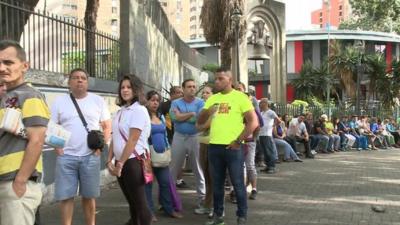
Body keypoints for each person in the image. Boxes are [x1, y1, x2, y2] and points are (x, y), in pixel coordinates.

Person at [198, 68, 258, 225]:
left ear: (229, 80)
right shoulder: (212, 98)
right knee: (216, 184)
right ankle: (218, 215)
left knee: (238, 183)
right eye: (215, 79)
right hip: (214, 147)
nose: (216, 81)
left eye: (220, 78)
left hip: (233, 149)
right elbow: (200, 122)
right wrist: (207, 111)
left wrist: (238, 141)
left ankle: (242, 216)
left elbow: (253, 122)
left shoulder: (241, 98)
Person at [51, 68, 111, 225]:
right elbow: (52, 126)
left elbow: (107, 125)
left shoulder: (97, 100)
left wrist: (100, 148)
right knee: (66, 197)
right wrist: (57, 148)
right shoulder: (59, 101)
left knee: (89, 196)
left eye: (83, 78)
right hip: (66, 157)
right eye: (76, 78)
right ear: (69, 82)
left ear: (87, 81)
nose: (79, 80)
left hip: (90, 157)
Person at [0, 40, 49, 225]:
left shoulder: (29, 96)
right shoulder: (6, 97)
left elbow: (37, 140)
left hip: (14, 184)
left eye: (8, 62)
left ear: (24, 66)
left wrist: (20, 182)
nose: (2, 67)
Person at [106, 74, 152, 225]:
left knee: (140, 203)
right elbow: (115, 137)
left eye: (129, 87)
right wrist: (109, 160)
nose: (125, 90)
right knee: (132, 202)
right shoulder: (121, 111)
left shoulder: (139, 110)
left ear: (136, 89)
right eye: (123, 87)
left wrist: (120, 164)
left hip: (133, 163)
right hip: (122, 162)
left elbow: (132, 139)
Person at [144, 90, 183, 221]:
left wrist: (167, 149)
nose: (155, 103)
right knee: (147, 186)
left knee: (166, 183)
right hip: (147, 157)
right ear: (147, 101)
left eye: (157, 100)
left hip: (161, 156)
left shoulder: (160, 116)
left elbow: (165, 135)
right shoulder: (143, 117)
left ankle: (168, 209)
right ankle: (149, 213)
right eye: (152, 100)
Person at [169, 79, 206, 210]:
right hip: (179, 137)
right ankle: (169, 200)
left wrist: (182, 116)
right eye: (189, 86)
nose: (192, 89)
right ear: (183, 89)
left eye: (194, 86)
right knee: (173, 168)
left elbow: (200, 119)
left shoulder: (201, 102)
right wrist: (191, 114)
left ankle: (203, 199)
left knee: (199, 169)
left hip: (195, 137)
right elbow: (174, 118)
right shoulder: (175, 102)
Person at [195, 85, 215, 216]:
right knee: (206, 176)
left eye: (207, 93)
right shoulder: (205, 108)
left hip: (213, 144)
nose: (204, 95)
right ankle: (208, 204)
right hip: (203, 144)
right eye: (203, 93)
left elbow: (205, 125)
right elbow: (198, 125)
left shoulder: (215, 107)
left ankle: (214, 206)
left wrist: (201, 124)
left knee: (214, 177)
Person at [259, 98, 280, 174]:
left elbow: (278, 120)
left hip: (267, 135)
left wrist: (273, 126)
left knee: (269, 151)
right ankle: (268, 166)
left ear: (265, 103)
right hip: (261, 134)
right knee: (265, 151)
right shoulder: (261, 113)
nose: (260, 104)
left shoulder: (271, 112)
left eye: (261, 103)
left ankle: (272, 167)